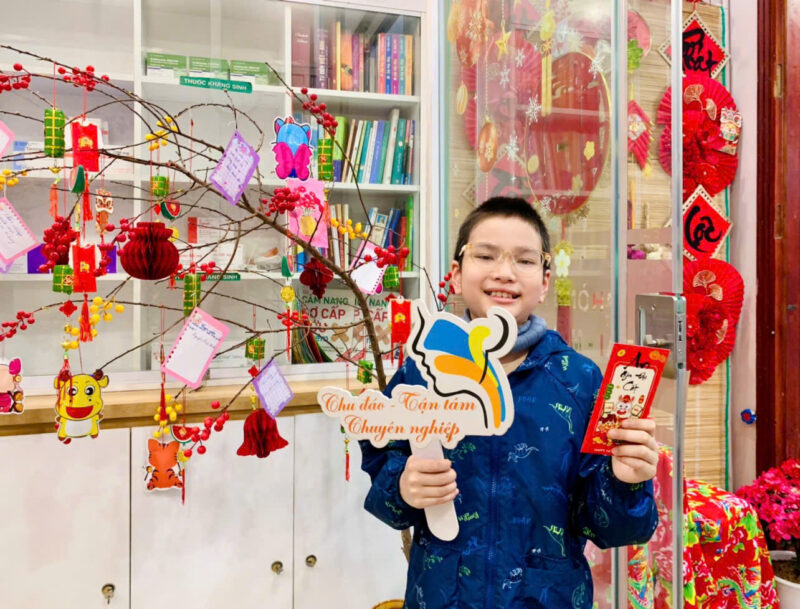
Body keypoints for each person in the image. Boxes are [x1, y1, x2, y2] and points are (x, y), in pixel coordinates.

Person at [359, 197, 659, 609]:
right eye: (485, 255)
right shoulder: (421, 373)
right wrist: (403, 488)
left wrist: (626, 482)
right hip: (443, 596)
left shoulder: (579, 381)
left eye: (524, 260)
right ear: (456, 274)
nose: (504, 272)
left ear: (545, 280)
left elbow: (615, 529)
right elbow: (383, 477)